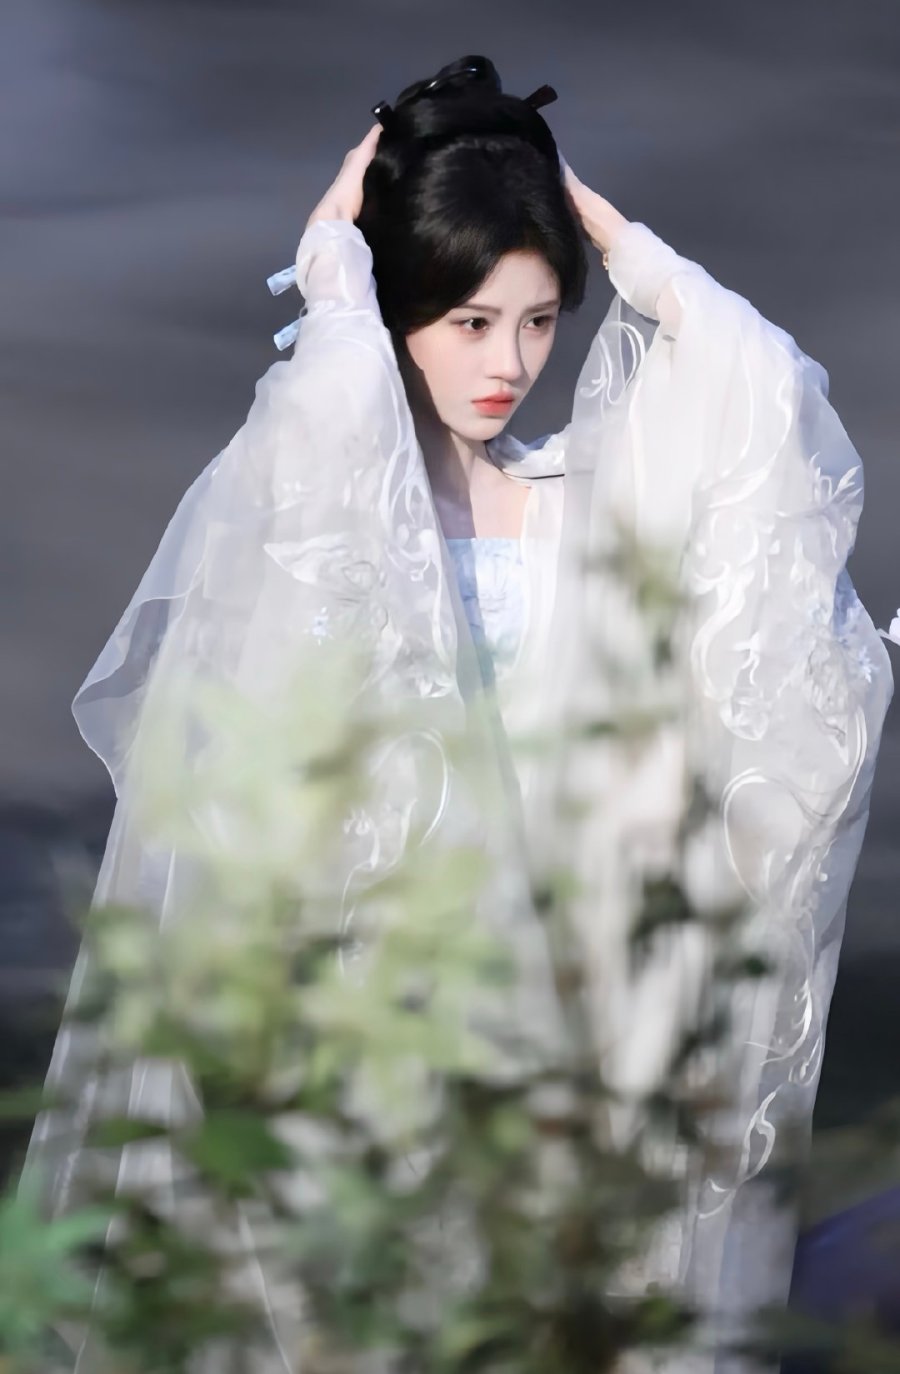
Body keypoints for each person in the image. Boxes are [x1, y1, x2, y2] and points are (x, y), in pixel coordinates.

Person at [24, 53, 893, 1374]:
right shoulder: (332, 513)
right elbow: (321, 482)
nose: (510, 365)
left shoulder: (580, 508)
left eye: (540, 321)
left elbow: (764, 423)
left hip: (579, 1029)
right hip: (376, 1010)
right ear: (399, 307)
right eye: (471, 321)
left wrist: (621, 240)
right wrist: (335, 280)